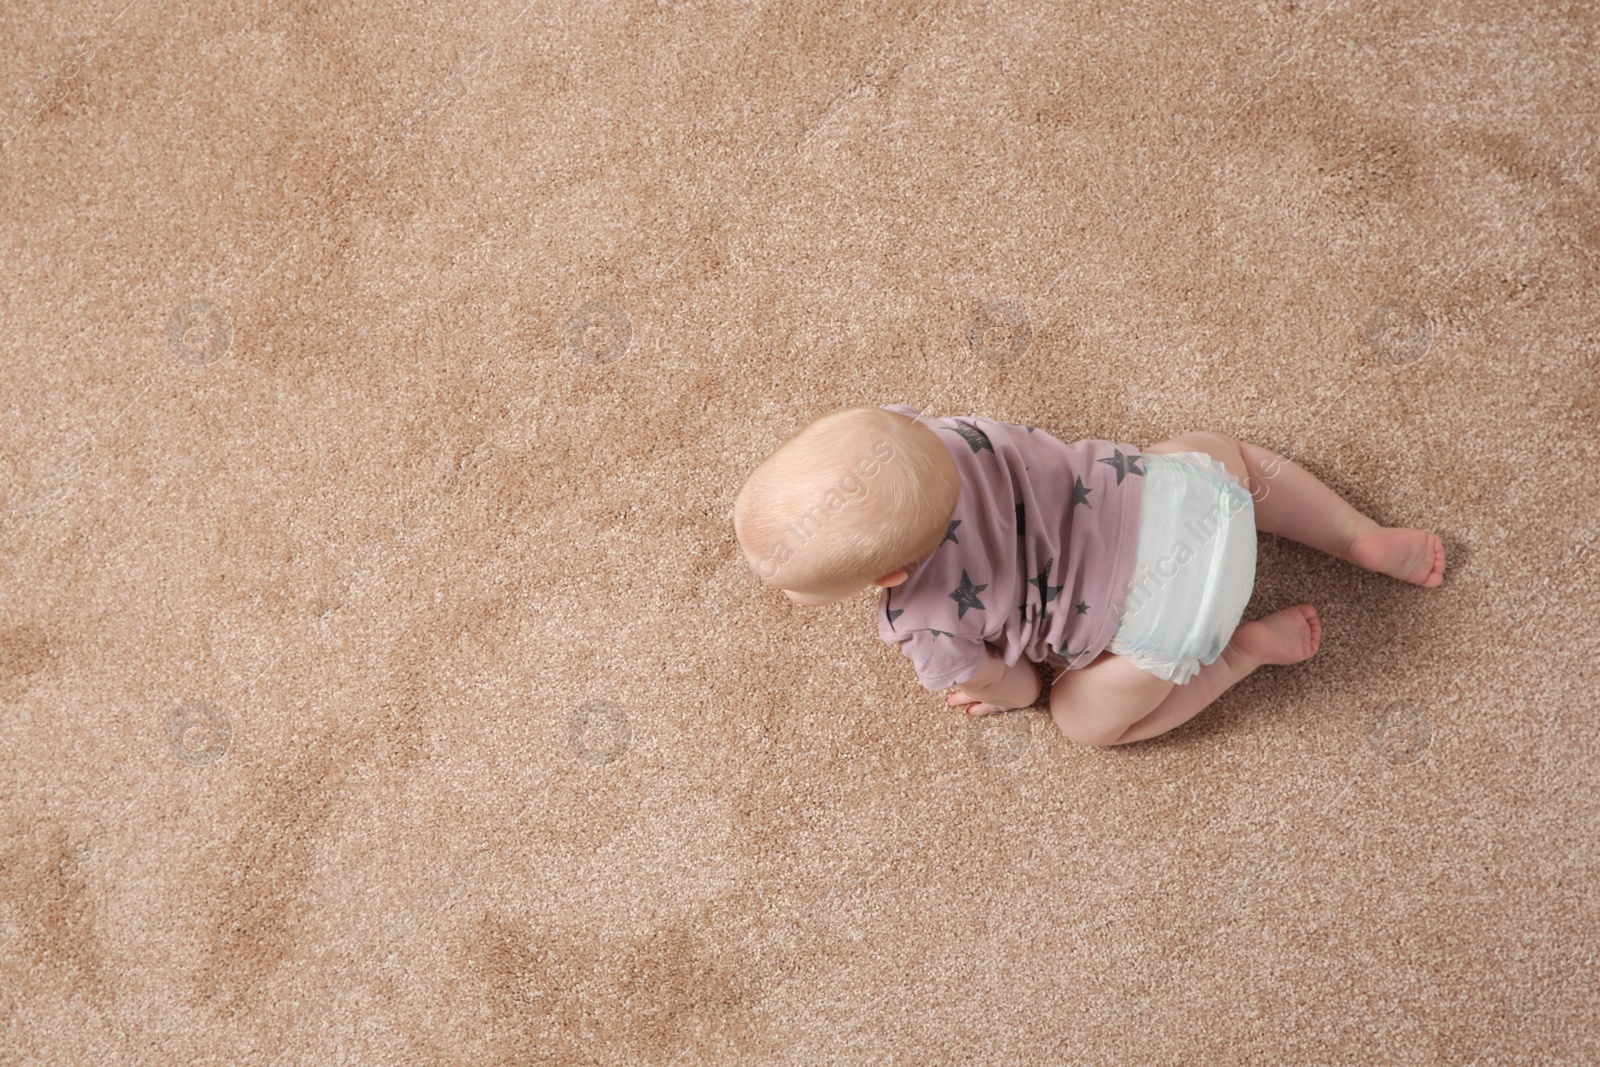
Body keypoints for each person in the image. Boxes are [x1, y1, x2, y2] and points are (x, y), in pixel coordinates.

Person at [732, 404, 1445, 746]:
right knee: (1229, 455)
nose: (790, 595)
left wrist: (1005, 692)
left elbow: (1014, 683)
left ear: (887, 573)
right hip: (1202, 498)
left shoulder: (921, 622)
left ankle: (1237, 655)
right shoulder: (944, 433)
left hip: (1169, 618)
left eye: (795, 585)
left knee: (1082, 720)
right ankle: (1358, 535)